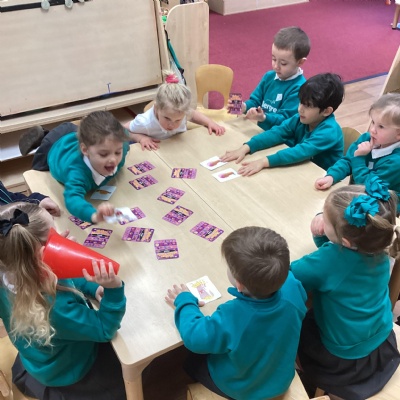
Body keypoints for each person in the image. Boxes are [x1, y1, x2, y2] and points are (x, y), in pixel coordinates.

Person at [0, 202, 126, 400]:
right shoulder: (56, 308)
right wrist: (114, 290)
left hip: (38, 357)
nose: (62, 236)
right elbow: (104, 329)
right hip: (69, 371)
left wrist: (93, 286)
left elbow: (62, 275)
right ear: (42, 256)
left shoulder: (10, 273)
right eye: (55, 235)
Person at [165, 227, 307, 400]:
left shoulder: (232, 314)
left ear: (239, 284)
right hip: (280, 380)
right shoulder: (292, 285)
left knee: (192, 361)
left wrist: (185, 301)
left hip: (242, 390)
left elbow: (194, 337)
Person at [291, 179, 400, 400]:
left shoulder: (330, 259)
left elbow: (290, 275)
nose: (321, 219)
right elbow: (339, 262)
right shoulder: (378, 248)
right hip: (381, 343)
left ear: (346, 241)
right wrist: (326, 234)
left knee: (294, 322)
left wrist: (319, 235)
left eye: (324, 219)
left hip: (343, 361)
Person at [220, 73, 344, 176]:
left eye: (307, 106)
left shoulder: (329, 131)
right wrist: (246, 147)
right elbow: (277, 132)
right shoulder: (300, 118)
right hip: (301, 170)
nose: (300, 109)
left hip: (320, 179)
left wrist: (263, 162)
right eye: (300, 102)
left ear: (326, 111)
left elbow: (300, 152)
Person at [19, 111, 132, 223]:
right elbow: (72, 199)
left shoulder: (121, 149)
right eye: (104, 154)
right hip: (53, 145)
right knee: (36, 171)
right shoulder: (76, 171)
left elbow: (127, 133)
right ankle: (42, 135)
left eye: (117, 152)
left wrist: (139, 138)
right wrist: (94, 215)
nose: (113, 160)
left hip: (74, 133)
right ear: (85, 150)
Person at [314, 93, 400, 219]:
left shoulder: (396, 162)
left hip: (380, 213)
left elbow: (368, 188)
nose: (372, 129)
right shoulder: (367, 138)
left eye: (381, 126)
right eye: (373, 122)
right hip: (357, 200)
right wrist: (332, 176)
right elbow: (348, 160)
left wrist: (359, 158)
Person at [228, 26, 310, 131]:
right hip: (262, 132)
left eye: (283, 63)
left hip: (281, 137)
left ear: (300, 62)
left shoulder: (300, 88)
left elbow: (285, 120)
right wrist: (243, 106)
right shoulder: (269, 76)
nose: (276, 66)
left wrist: (264, 117)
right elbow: (255, 101)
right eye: (274, 59)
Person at [124, 70, 226, 151]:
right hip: (157, 151)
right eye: (167, 118)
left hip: (175, 146)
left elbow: (193, 114)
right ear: (156, 108)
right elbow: (123, 130)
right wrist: (141, 138)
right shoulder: (144, 122)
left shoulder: (182, 111)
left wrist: (210, 122)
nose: (172, 125)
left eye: (178, 120)